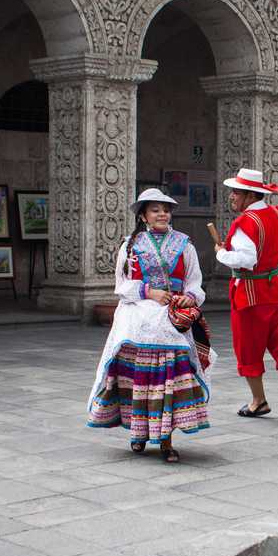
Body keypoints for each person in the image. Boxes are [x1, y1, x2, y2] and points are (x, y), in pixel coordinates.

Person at [87, 188, 213, 463]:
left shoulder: (184, 244)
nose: (162, 214)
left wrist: (188, 297)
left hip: (171, 322)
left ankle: (166, 439)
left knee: (168, 380)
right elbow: (121, 285)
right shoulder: (130, 245)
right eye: (155, 209)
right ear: (143, 215)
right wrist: (149, 292)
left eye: (166, 209)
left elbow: (194, 281)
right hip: (138, 322)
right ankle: (138, 432)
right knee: (138, 379)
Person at [214, 167, 278, 422]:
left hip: (250, 294)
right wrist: (270, 259)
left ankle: (259, 401)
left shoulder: (245, 222)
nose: (232, 197)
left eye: (236, 192)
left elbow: (247, 259)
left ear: (249, 195)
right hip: (277, 290)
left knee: (248, 348)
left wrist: (221, 253)